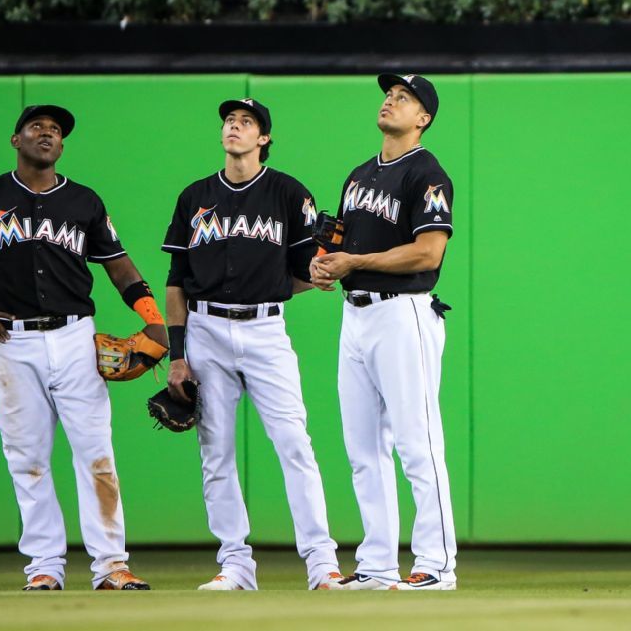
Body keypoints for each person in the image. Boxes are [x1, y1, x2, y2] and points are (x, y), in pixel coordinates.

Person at [0, 105, 167, 591]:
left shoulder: (83, 201)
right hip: (13, 341)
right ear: (16, 139)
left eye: (56, 131)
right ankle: (43, 567)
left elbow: (118, 264)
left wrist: (153, 319)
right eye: (38, 127)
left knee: (96, 454)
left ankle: (111, 566)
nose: (48, 134)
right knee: (27, 456)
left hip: (76, 337)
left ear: (61, 145)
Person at [162, 98, 343, 591]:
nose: (234, 127)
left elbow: (311, 270)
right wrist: (177, 355)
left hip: (265, 330)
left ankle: (322, 563)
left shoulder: (288, 193)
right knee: (214, 451)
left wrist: (317, 270)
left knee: (294, 444)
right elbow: (176, 280)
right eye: (228, 121)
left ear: (263, 138)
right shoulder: (194, 196)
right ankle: (235, 564)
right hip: (205, 331)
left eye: (245, 123)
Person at [311, 74, 458, 591]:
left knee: (418, 443)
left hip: (404, 314)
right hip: (355, 317)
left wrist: (357, 260)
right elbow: (338, 243)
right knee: (363, 450)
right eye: (389, 93)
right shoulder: (358, 175)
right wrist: (325, 265)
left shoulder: (427, 174)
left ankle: (437, 565)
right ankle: (375, 566)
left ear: (423, 118)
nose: (390, 99)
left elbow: (429, 251)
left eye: (405, 98)